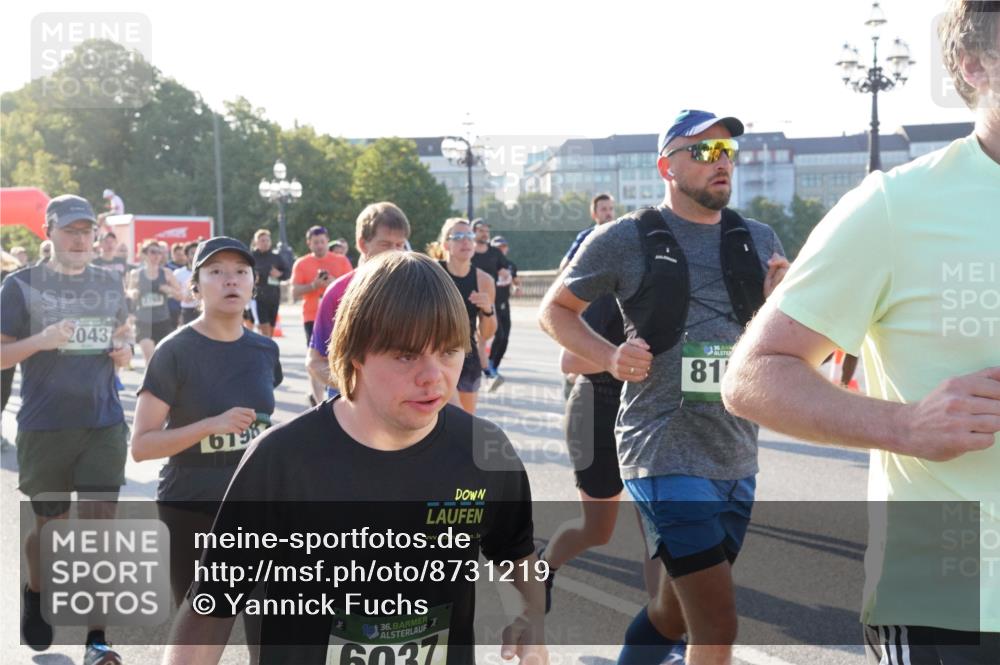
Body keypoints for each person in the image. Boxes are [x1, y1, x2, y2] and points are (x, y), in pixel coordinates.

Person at [722, 4, 999, 662]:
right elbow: (753, 373)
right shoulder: (897, 205)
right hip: (949, 599)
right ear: (975, 65)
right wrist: (907, 426)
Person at [161, 251, 545, 665]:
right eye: (406, 355)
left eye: (449, 351)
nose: (434, 376)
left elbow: (516, 552)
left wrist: (532, 617)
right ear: (356, 352)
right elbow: (211, 607)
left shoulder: (485, 453)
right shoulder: (282, 461)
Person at [540, 109, 790, 665]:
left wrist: (783, 300)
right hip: (659, 447)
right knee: (718, 624)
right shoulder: (624, 238)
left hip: (734, 451)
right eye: (703, 151)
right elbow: (554, 310)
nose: (721, 160)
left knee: (672, 612)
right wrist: (608, 355)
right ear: (666, 167)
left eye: (727, 150)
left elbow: (784, 343)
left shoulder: (758, 237)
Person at [1, 194, 132, 665]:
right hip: (46, 425)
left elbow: (122, 337)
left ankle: (97, 638)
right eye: (70, 231)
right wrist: (43, 340)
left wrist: (125, 351)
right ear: (49, 232)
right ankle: (36, 592)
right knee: (51, 531)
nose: (80, 240)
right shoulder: (20, 286)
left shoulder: (109, 281)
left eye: (87, 232)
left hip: (103, 423)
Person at [131, 237, 281, 612]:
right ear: (195, 287)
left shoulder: (265, 350)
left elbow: (260, 424)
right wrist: (210, 425)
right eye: (216, 272)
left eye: (240, 272)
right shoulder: (174, 351)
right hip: (190, 504)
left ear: (252, 284)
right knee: (196, 622)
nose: (230, 280)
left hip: (251, 503)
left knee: (263, 619)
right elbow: (141, 446)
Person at [307, 202, 410, 396]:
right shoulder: (339, 292)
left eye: (400, 245)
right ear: (363, 244)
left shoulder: (413, 289)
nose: (396, 253)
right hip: (351, 407)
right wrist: (358, 385)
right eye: (386, 244)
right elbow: (315, 361)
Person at [428, 218, 497, 414]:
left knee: (464, 421)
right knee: (433, 418)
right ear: (446, 244)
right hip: (433, 355)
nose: (465, 241)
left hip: (466, 356)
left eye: (469, 236)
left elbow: (486, 333)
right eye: (458, 236)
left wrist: (487, 310)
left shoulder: (484, 281)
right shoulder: (432, 272)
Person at [291, 225, 352, 405]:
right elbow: (294, 292)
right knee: (316, 359)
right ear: (309, 244)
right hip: (313, 317)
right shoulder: (301, 263)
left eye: (323, 242)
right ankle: (319, 404)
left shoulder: (341, 260)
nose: (320, 245)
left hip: (340, 316)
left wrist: (334, 284)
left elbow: (356, 287)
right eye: (315, 242)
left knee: (340, 356)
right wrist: (314, 285)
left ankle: (341, 394)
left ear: (328, 241)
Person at [128, 239, 183, 368]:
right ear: (144, 254)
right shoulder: (136, 274)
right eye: (153, 252)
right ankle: (150, 386)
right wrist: (134, 292)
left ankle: (162, 385)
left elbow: (181, 295)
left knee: (163, 358)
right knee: (150, 358)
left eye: (159, 252)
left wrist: (168, 289)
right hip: (143, 321)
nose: (157, 256)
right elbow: (129, 292)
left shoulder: (167, 273)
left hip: (162, 320)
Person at [470, 219, 512, 386]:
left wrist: (506, 277)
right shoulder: (468, 251)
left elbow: (504, 270)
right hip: (469, 299)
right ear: (473, 232)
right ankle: (483, 370)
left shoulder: (495, 253)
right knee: (470, 336)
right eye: (481, 230)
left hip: (489, 301)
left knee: (496, 335)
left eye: (487, 230)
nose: (485, 233)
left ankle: (489, 367)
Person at [487, 236, 520, 388]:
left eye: (504, 246)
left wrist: (517, 287)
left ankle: (495, 365)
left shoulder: (510, 265)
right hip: (491, 304)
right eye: (498, 246)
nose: (502, 249)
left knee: (505, 338)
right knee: (498, 335)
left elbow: (515, 280)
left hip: (504, 305)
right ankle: (488, 364)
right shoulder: (490, 263)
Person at [558, 193, 617, 272]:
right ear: (594, 214)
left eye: (611, 209)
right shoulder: (585, 236)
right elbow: (564, 266)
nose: (608, 213)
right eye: (604, 209)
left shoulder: (623, 234)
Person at [249, 229, 290, 338]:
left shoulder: (276, 257)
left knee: (270, 331)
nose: (265, 243)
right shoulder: (251, 257)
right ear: (256, 242)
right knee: (264, 330)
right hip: (257, 297)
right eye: (262, 240)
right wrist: (253, 277)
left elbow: (287, 273)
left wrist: (279, 274)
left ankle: (266, 352)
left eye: (267, 240)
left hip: (273, 297)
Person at [171, 242, 200, 325]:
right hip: (187, 310)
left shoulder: (207, 272)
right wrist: (182, 297)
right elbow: (174, 292)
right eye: (192, 253)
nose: (195, 255)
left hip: (204, 310)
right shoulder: (178, 273)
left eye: (197, 253)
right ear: (186, 255)